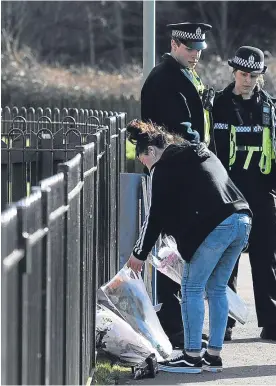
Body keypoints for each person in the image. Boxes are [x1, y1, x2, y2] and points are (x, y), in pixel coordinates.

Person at [126, 119, 252, 373]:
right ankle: (213, 355)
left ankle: (192, 355)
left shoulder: (164, 167)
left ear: (151, 151)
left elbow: (155, 215)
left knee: (191, 288)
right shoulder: (196, 153)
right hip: (242, 217)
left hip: (218, 225)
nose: (146, 167)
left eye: (143, 160)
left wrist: (139, 254)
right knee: (216, 289)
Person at [141, 21, 216, 347]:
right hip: (176, 170)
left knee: (179, 250)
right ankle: (173, 326)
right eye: (190, 49)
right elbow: (180, 129)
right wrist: (200, 148)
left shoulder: (182, 73)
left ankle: (178, 323)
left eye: (199, 50)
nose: (195, 55)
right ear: (174, 44)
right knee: (172, 250)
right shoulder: (166, 77)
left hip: (183, 170)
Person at [212, 46, 276, 341]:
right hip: (229, 194)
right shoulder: (219, 105)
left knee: (266, 259)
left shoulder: (270, 108)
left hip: (262, 193)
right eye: (243, 74)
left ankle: (272, 320)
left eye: (253, 75)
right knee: (228, 260)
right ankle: (224, 322)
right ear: (233, 72)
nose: (247, 80)